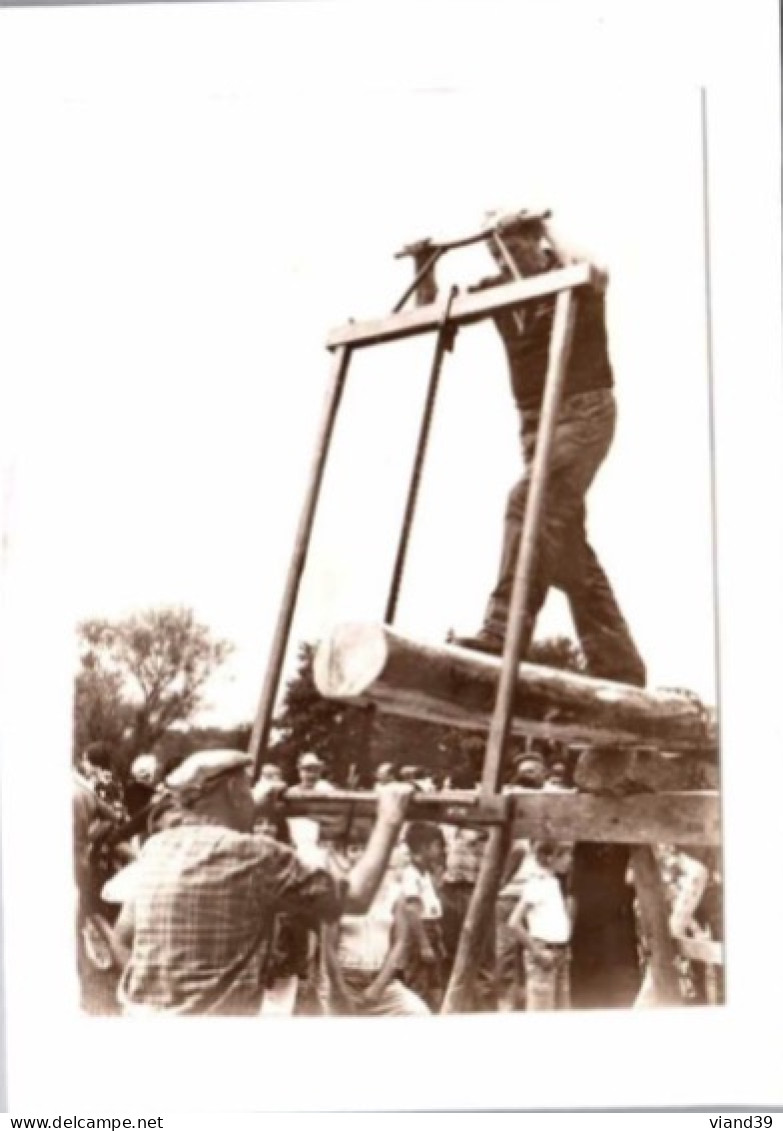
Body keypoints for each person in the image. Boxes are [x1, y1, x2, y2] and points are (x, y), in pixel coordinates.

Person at [453, 210, 645, 689]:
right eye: (496, 252)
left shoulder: (567, 273)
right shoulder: (499, 289)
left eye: (512, 248)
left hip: (584, 411)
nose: (504, 260)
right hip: (536, 425)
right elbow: (439, 317)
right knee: (565, 551)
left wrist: (544, 224)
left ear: (536, 244)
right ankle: (620, 666)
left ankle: (503, 631)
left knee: (528, 503)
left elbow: (597, 270)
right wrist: (422, 266)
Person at [113, 749, 414, 1016]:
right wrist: (389, 819)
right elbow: (357, 898)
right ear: (232, 789)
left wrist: (248, 806)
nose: (251, 792)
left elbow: (124, 934)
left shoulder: (158, 847)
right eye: (247, 784)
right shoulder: (256, 855)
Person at [320, 827, 429, 1017]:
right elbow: (328, 946)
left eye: (367, 849)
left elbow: (400, 942)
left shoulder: (395, 893)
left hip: (383, 983)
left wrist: (378, 987)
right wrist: (340, 990)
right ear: (344, 855)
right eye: (354, 849)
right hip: (345, 981)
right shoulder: (335, 894)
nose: (361, 855)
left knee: (418, 1013)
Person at [507, 840, 575, 1011]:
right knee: (541, 1012)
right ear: (549, 858)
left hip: (560, 953)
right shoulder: (537, 883)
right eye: (565, 855)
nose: (570, 859)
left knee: (562, 1010)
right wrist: (536, 952)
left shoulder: (554, 882)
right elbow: (514, 922)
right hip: (544, 954)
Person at [399, 821, 447, 1011]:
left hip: (432, 928)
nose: (441, 850)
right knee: (418, 984)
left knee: (435, 984)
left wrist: (438, 939)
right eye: (437, 846)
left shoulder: (426, 873)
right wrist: (424, 943)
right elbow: (412, 910)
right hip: (420, 932)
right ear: (424, 847)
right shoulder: (411, 874)